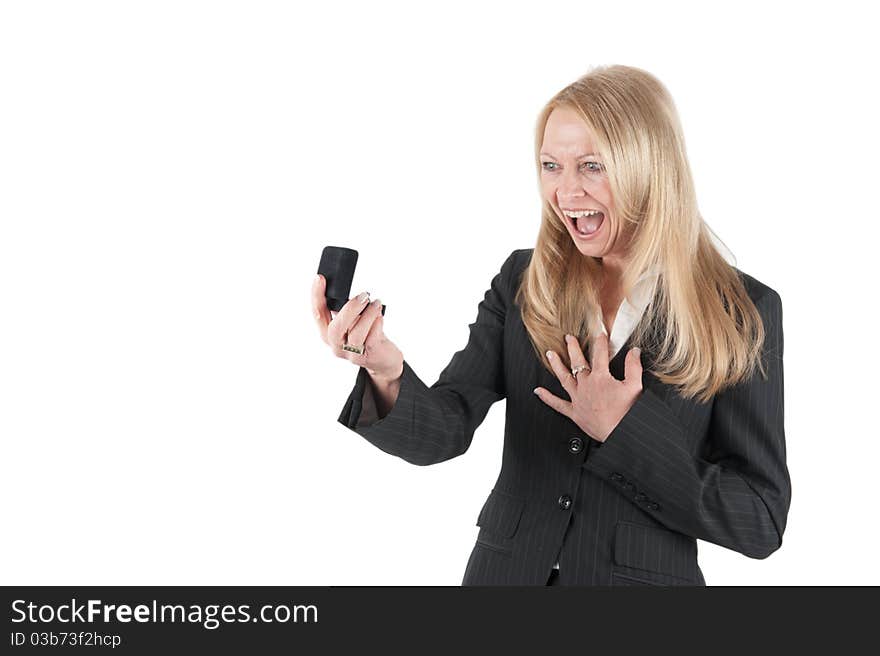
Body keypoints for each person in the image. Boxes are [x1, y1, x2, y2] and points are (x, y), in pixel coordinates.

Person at [311, 64, 791, 586]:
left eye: (590, 165)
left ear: (648, 167)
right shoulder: (523, 279)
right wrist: (385, 371)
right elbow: (444, 431)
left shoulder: (741, 309)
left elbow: (759, 519)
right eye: (550, 165)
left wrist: (622, 429)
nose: (565, 192)